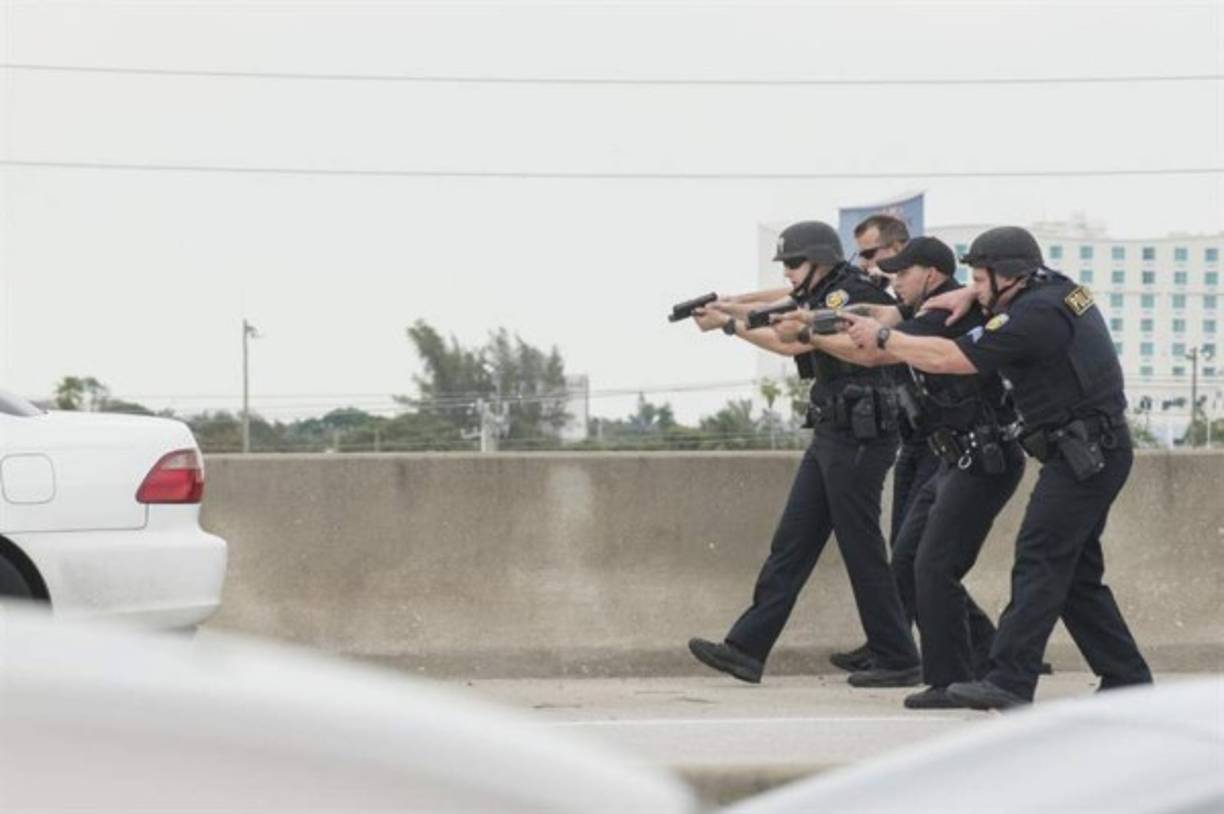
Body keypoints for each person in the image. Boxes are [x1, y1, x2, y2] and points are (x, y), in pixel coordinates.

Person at [839, 226, 1153, 708]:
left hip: (1085, 455)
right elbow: (1017, 293)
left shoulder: (1034, 316)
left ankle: (1009, 679)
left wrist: (884, 337)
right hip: (1089, 451)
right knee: (1075, 576)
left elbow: (951, 357)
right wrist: (969, 293)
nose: (976, 288)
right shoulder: (1056, 290)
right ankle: (1127, 679)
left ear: (1007, 277)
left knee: (1038, 559)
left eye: (980, 279)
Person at [773, 236, 1026, 708]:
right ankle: (962, 670)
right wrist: (806, 319)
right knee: (919, 563)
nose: (893, 281)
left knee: (929, 564)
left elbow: (877, 347)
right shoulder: (933, 306)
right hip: (949, 454)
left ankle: (968, 672)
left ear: (930, 274)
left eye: (902, 273)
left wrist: (807, 330)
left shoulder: (945, 315)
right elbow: (880, 314)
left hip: (981, 454)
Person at [685, 220, 920, 688]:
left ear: (820, 261)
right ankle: (746, 649)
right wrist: (729, 308)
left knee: (861, 548)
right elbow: (783, 308)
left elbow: (793, 335)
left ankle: (897, 655)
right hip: (835, 430)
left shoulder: (844, 292)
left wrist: (730, 325)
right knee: (793, 543)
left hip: (860, 435)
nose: (789, 272)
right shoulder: (824, 289)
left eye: (794, 263)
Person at [830, 215, 942, 674]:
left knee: (919, 556)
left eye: (879, 257)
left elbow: (874, 348)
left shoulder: (933, 308)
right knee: (910, 551)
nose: (874, 267)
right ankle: (891, 642)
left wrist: (808, 334)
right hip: (914, 439)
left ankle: (900, 648)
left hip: (943, 442)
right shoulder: (896, 302)